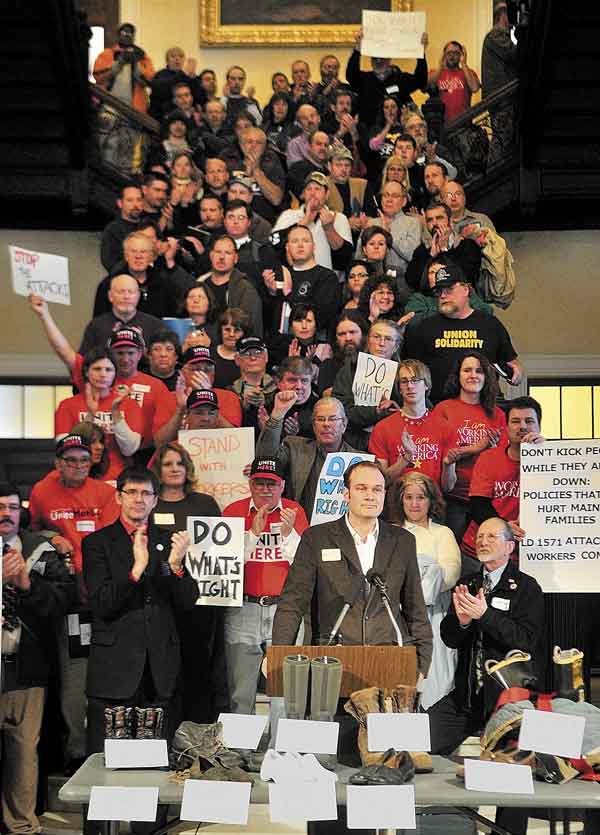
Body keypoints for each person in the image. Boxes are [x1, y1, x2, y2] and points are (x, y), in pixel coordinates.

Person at [273, 460, 432, 671]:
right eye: (361, 488)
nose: (370, 495)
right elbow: (292, 604)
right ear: (346, 494)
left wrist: (421, 665)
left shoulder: (403, 541)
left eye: (377, 489)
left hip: (388, 663)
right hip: (329, 661)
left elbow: (415, 608)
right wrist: (279, 654)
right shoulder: (317, 538)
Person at [83, 467, 199, 754]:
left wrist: (174, 566)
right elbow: (102, 603)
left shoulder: (170, 542)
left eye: (146, 493)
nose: (139, 499)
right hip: (114, 671)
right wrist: (135, 571)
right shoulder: (97, 543)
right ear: (119, 497)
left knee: (155, 763)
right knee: (108, 762)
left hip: (160, 671)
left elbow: (187, 601)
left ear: (156, 500)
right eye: (132, 492)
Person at [28, 434, 118, 773]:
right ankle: (77, 752)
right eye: (70, 460)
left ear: (92, 461)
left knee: (109, 677)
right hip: (68, 606)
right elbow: (32, 531)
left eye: (83, 459)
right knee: (72, 684)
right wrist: (51, 537)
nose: (77, 466)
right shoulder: (41, 492)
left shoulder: (106, 493)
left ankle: (109, 748)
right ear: (57, 463)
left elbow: (112, 541)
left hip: (104, 603)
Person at [429, 517, 544, 752]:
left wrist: (485, 615)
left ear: (510, 547)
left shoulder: (526, 587)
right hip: (467, 699)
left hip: (508, 699)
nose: (483, 541)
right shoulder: (467, 583)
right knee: (417, 739)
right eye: (480, 536)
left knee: (512, 762)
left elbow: (526, 640)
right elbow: (450, 639)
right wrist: (461, 623)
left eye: (491, 537)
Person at [0, 482, 76, 833]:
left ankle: (21, 826)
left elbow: (63, 601)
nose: (6, 514)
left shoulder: (39, 550)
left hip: (27, 668)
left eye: (13, 508)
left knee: (23, 756)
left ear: (22, 512)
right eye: (0, 507)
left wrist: (27, 584)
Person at [222, 457, 308, 721]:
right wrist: (253, 536)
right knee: (240, 691)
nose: (265, 490)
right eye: (259, 483)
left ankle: (280, 752)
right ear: (250, 484)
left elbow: (305, 566)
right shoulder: (233, 511)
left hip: (284, 609)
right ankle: (241, 752)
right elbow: (224, 564)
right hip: (242, 608)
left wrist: (288, 534)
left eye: (271, 484)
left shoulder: (295, 511)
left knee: (284, 693)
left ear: (282, 485)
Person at [149, 443, 226, 721]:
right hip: (158, 601)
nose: (174, 469)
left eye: (179, 463)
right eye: (167, 464)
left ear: (187, 468)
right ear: (158, 469)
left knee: (198, 669)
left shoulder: (204, 504)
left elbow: (221, 549)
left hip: (200, 602)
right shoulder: (149, 503)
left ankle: (199, 729)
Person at [387, 472, 461, 710]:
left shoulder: (443, 533)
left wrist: (423, 576)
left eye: (421, 497)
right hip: (396, 617)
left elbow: (450, 573)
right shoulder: (389, 533)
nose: (414, 503)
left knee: (433, 678)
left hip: (434, 615)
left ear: (431, 501)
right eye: (408, 497)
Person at [403, 262, 524, 403]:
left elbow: (513, 364)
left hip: (482, 409)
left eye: (449, 289)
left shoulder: (490, 324)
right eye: (439, 292)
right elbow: (411, 371)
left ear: (466, 290)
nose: (443, 295)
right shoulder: (424, 327)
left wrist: (517, 372)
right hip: (440, 410)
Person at [432, 351, 506, 542]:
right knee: (453, 557)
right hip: (454, 497)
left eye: (479, 371)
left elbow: (505, 456)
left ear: (486, 377)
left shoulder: (497, 414)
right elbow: (442, 454)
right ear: (458, 375)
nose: (473, 375)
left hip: (486, 498)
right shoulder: (444, 409)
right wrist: (477, 447)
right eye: (467, 370)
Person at [461, 396, 544, 562]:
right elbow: (478, 505)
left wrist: (546, 454)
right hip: (481, 550)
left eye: (529, 421)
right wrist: (505, 528)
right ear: (506, 427)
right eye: (515, 421)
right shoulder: (488, 458)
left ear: (539, 427)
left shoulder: (553, 461)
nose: (522, 426)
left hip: (531, 554)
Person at [55, 348, 143, 481]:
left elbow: (129, 449)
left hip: (118, 478)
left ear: (115, 374)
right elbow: (65, 449)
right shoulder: (67, 405)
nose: (103, 374)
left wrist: (115, 412)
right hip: (78, 477)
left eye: (108, 370)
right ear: (86, 371)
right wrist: (90, 414)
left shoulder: (129, 404)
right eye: (97, 369)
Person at [368, 359, 454, 490]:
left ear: (426, 385)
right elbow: (381, 482)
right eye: (404, 381)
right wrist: (405, 460)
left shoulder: (445, 427)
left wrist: (447, 466)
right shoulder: (382, 428)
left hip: (433, 503)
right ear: (399, 389)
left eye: (415, 380)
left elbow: (448, 487)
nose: (410, 386)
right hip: (396, 502)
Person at [333, 319, 402, 450]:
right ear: (368, 341)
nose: (381, 343)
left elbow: (418, 408)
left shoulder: (405, 374)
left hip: (392, 443)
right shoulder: (349, 369)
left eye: (388, 339)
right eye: (376, 337)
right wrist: (376, 411)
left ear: (396, 346)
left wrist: (398, 411)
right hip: (353, 442)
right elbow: (341, 410)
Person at [93, 231, 194, 321]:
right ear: (126, 256)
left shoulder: (164, 284)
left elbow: (173, 319)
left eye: (143, 252)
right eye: (133, 251)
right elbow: (99, 324)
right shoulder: (109, 284)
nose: (138, 256)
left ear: (152, 257)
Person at [262, 224, 340, 337]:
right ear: (287, 248)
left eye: (305, 240)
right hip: (279, 345)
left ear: (313, 246)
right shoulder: (279, 274)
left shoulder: (326, 277)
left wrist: (288, 293)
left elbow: (321, 317)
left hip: (312, 345)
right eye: (294, 241)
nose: (300, 245)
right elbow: (268, 318)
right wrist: (272, 293)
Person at [272, 171, 353, 273]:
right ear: (303, 194)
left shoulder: (339, 218)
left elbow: (345, 260)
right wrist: (303, 223)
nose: (312, 193)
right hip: (295, 280)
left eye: (317, 189)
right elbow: (273, 243)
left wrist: (329, 229)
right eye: (308, 189)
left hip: (327, 282)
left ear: (327, 194)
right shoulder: (289, 215)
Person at [347, 28, 429, 127]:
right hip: (369, 131)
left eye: (382, 56)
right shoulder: (364, 79)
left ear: (390, 58)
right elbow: (351, 75)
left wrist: (420, 52)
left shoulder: (400, 79)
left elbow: (421, 80)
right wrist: (357, 48)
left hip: (397, 131)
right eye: (375, 57)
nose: (378, 60)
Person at [78, 274, 164, 356]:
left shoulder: (155, 326)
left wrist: (142, 345)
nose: (126, 296)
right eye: (121, 292)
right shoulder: (96, 326)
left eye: (131, 292)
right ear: (110, 296)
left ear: (138, 296)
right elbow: (84, 362)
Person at [197, 234, 263, 337]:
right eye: (218, 252)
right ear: (211, 255)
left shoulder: (245, 289)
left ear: (235, 258)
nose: (222, 257)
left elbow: (249, 328)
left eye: (227, 253)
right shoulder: (199, 285)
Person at [93, 22, 155, 113]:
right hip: (109, 106)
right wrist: (119, 63)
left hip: (135, 109)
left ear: (134, 36)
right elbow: (98, 78)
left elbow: (150, 80)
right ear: (118, 35)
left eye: (130, 33)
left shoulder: (142, 56)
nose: (127, 35)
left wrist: (136, 65)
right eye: (124, 33)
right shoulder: (107, 54)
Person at [238, 127, 286, 224]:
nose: (253, 146)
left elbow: (276, 199)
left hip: (264, 223)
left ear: (264, 147)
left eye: (258, 143)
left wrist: (256, 171)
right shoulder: (231, 162)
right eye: (249, 141)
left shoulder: (272, 164)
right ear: (241, 145)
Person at [230, 336, 277, 433]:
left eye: (258, 352)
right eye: (246, 354)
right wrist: (244, 406)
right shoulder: (230, 391)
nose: (253, 357)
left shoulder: (280, 386)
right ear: (237, 359)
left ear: (266, 356)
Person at [316, 310, 368, 397]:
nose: (348, 338)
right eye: (342, 334)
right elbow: (328, 396)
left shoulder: (373, 363)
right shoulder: (328, 366)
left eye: (352, 332)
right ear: (336, 339)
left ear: (363, 334)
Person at [428, 41, 481, 124]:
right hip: (441, 124)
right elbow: (428, 84)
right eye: (449, 53)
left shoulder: (468, 72)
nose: (452, 56)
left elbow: (474, 88)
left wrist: (464, 64)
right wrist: (440, 66)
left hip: (463, 124)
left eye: (456, 53)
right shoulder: (435, 72)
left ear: (461, 55)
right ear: (444, 55)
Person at [100, 185, 144, 272]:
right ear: (120, 203)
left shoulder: (149, 226)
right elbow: (110, 263)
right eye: (130, 200)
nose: (135, 205)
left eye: (139, 200)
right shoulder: (113, 230)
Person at [212, 308, 251, 388]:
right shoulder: (208, 354)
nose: (231, 334)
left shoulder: (250, 359)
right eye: (227, 329)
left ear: (244, 333)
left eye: (237, 330)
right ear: (220, 331)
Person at [287, 130, 330, 200]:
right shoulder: (298, 168)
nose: (323, 148)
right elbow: (302, 197)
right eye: (319, 144)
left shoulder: (327, 172)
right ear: (309, 146)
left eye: (326, 145)